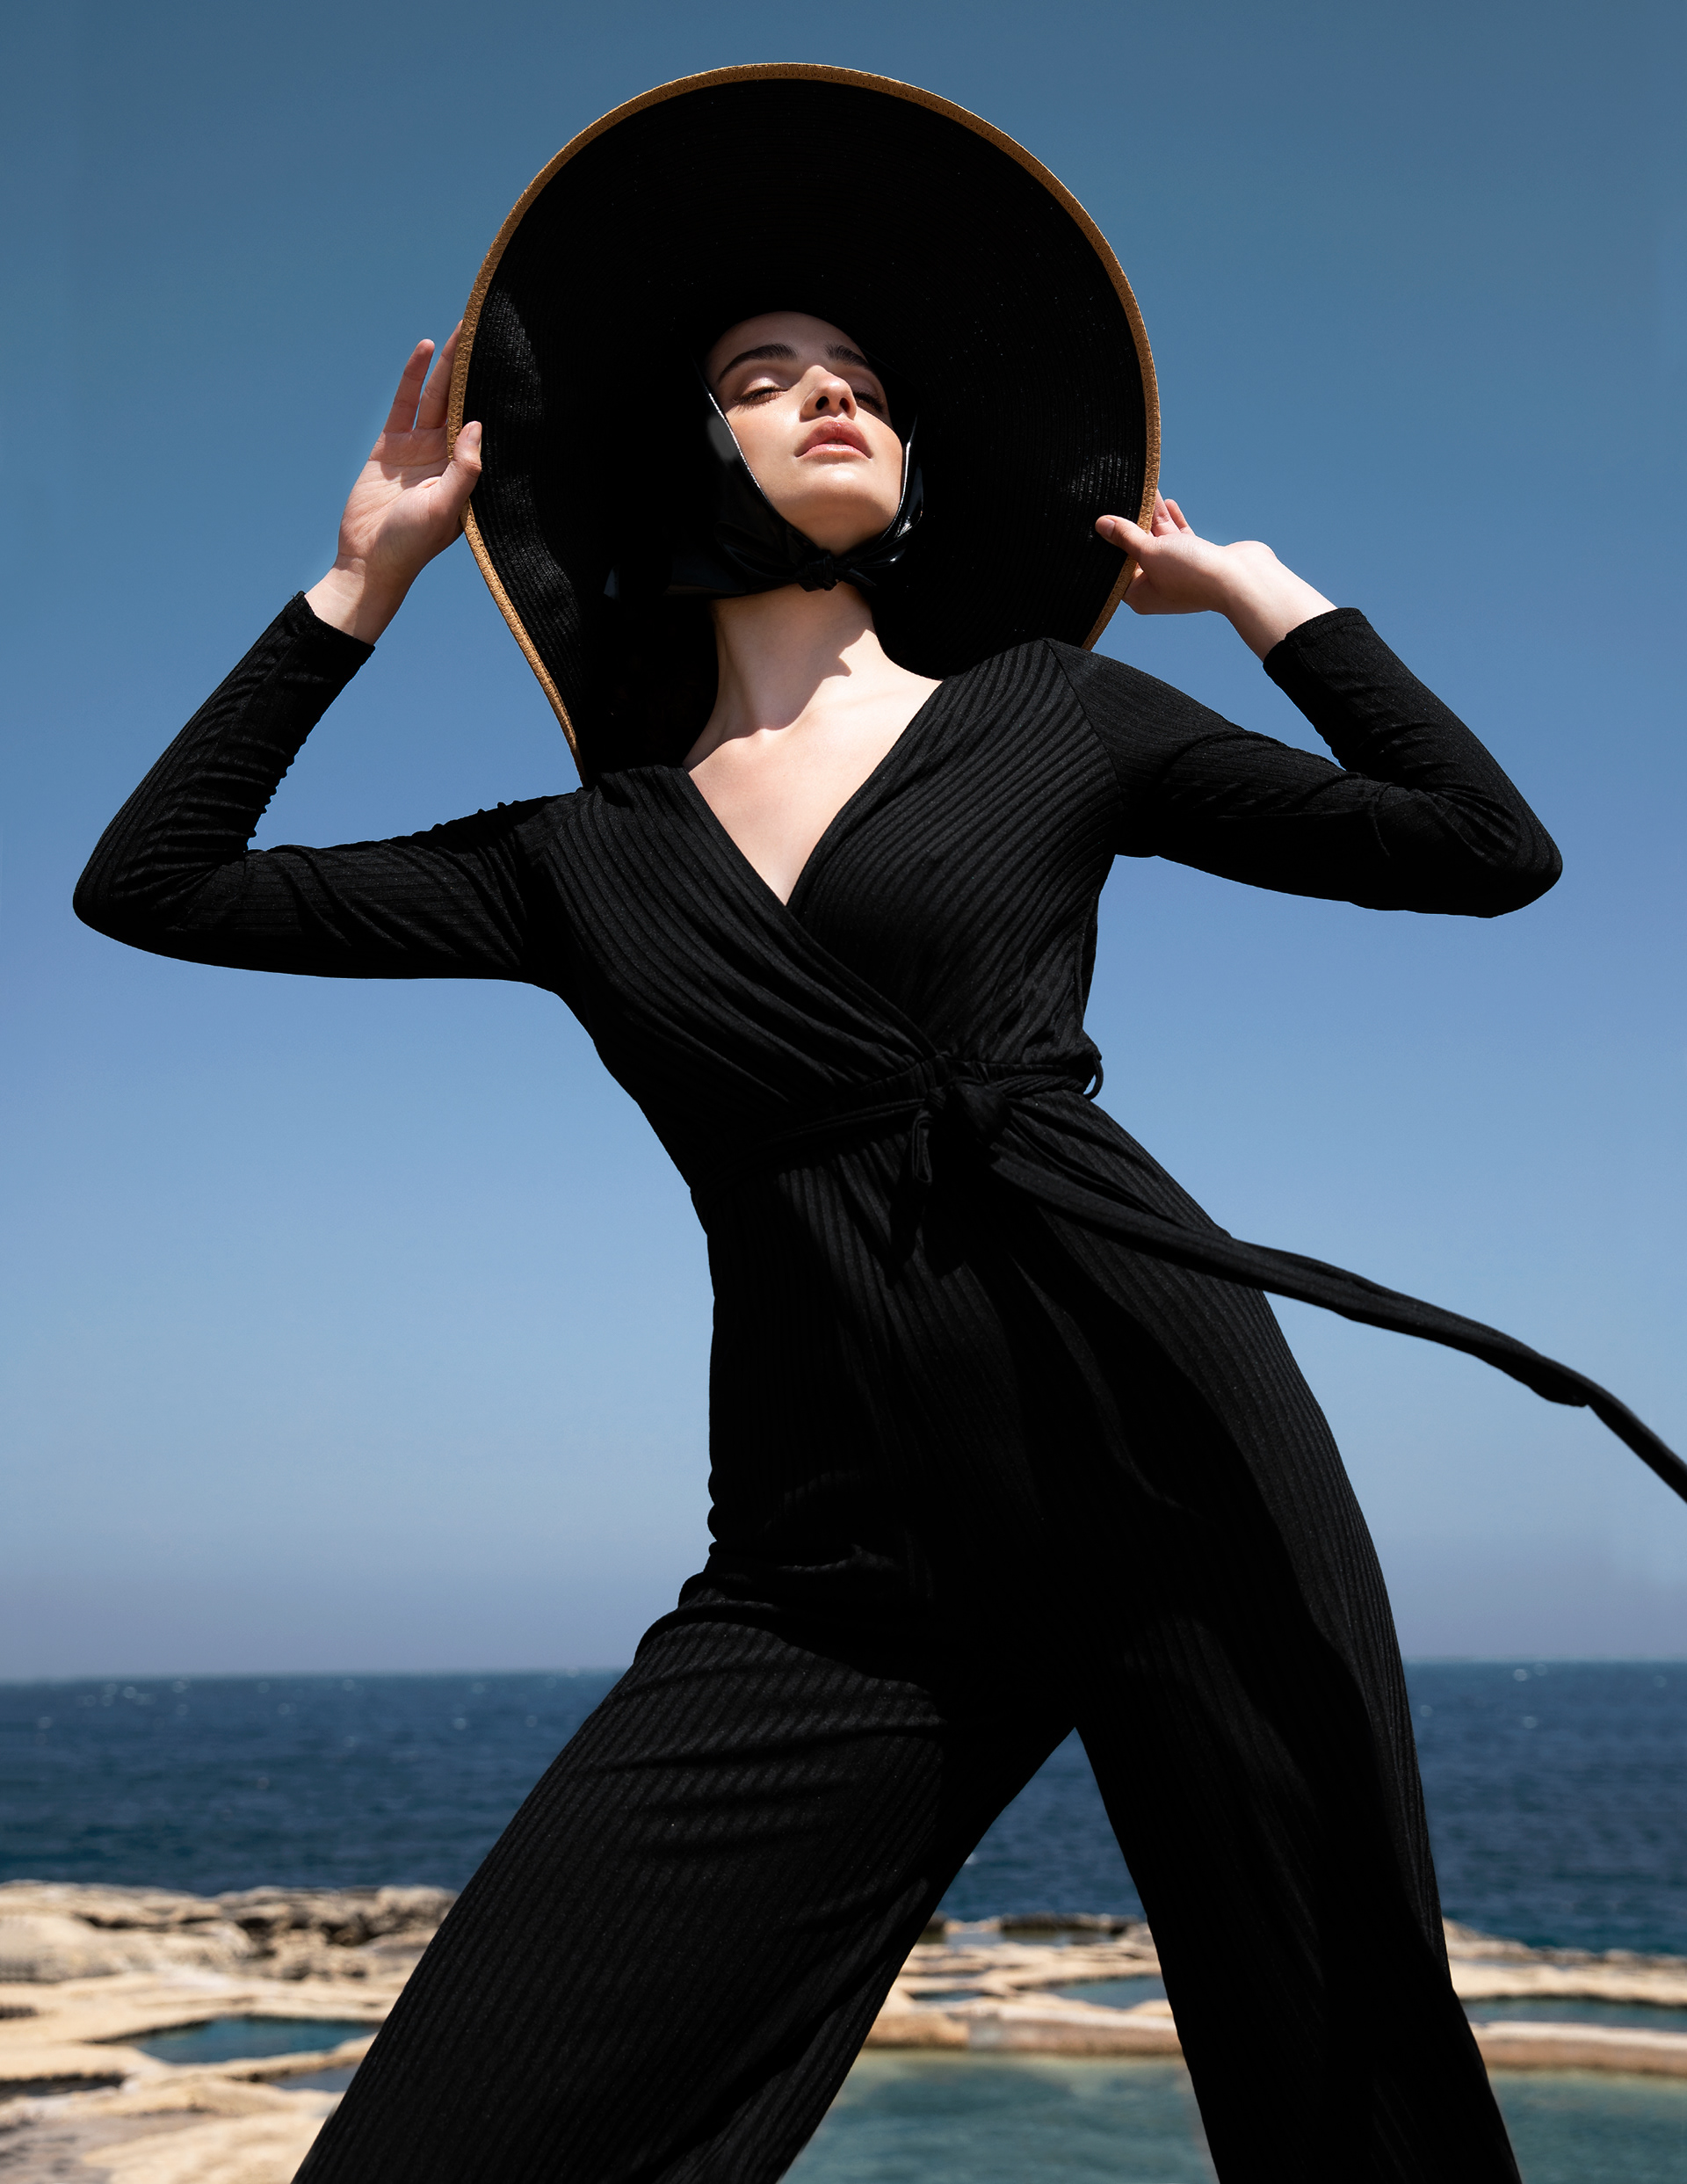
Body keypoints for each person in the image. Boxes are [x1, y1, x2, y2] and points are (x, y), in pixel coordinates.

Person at [75, 66, 1676, 2184]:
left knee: (1351, 2101)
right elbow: (155, 883)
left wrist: (1265, 595)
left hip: (1170, 1449)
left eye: (865, 381)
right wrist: (360, 585)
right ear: (690, 462)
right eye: (766, 376)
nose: (834, 393)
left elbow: (1485, 848)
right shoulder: (583, 856)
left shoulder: (1054, 713)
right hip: (834, 1556)